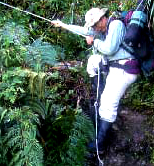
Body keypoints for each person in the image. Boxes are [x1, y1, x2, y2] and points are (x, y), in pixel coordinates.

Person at [51, 8, 141, 153]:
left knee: (108, 105)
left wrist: (95, 42)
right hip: (115, 64)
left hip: (124, 69)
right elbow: (84, 31)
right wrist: (63, 25)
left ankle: (100, 145)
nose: (93, 28)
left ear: (102, 19)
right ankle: (99, 96)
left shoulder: (115, 25)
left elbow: (110, 49)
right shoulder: (104, 27)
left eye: (94, 25)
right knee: (92, 61)